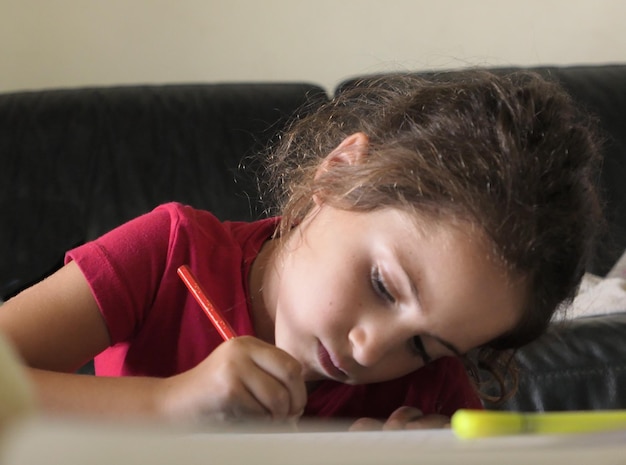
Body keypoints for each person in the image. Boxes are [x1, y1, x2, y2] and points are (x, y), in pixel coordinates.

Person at [0, 70, 602, 430]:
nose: (371, 349)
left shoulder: (433, 394)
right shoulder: (170, 252)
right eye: (384, 286)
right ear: (341, 172)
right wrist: (165, 402)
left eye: (423, 345)